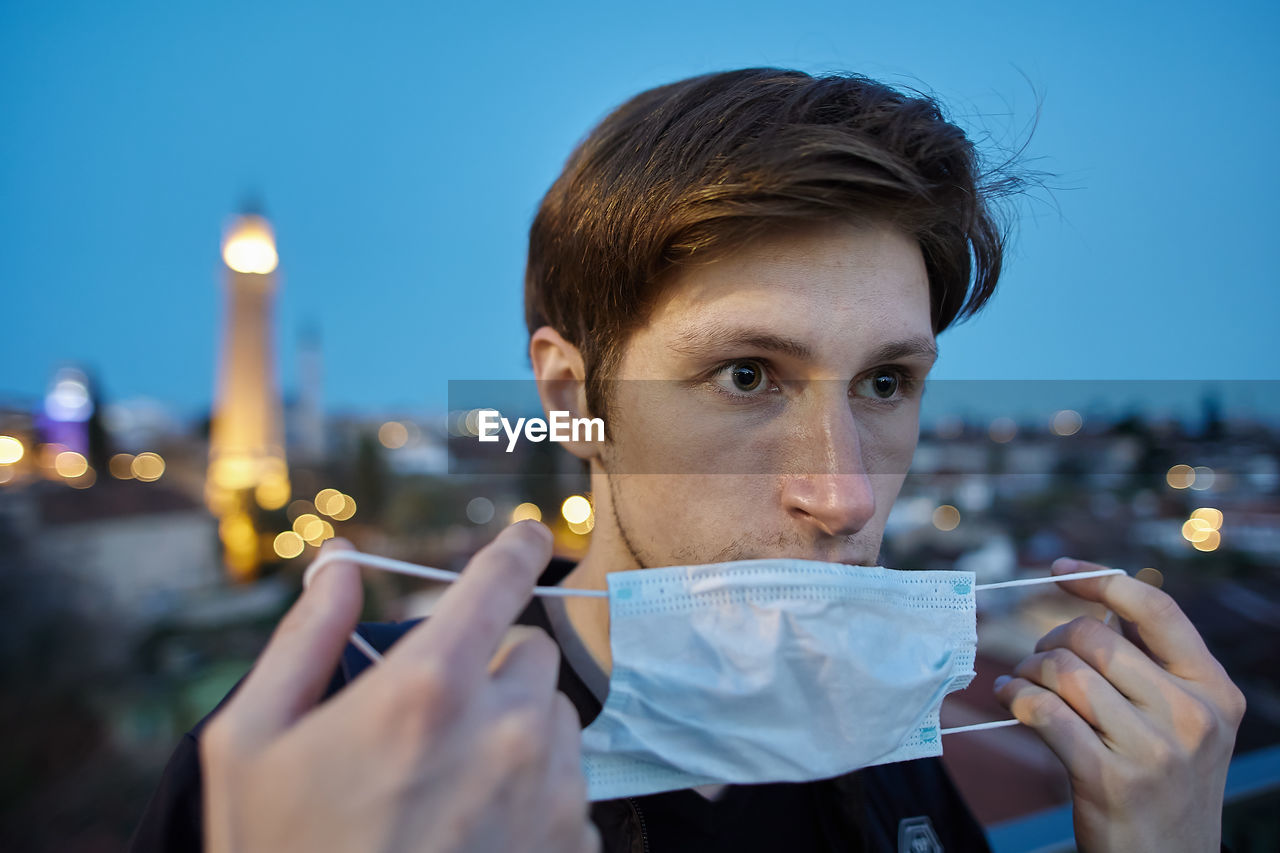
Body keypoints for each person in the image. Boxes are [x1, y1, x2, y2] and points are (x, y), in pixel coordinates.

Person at [131, 68, 1245, 852]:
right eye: (747, 376)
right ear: (573, 396)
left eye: (885, 382)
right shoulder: (322, 747)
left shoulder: (872, 739)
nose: (844, 493)